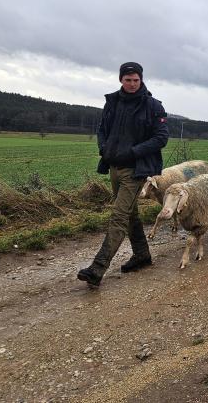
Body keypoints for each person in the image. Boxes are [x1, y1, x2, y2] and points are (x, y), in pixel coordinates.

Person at [77, 62, 169, 287]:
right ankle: (142, 255)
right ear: (121, 80)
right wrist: (103, 148)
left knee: (119, 215)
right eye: (127, 79)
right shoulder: (112, 102)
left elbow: (161, 138)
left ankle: (97, 268)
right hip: (115, 167)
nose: (132, 84)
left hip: (136, 170)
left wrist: (133, 152)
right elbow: (102, 129)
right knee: (129, 214)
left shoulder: (153, 106)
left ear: (141, 80)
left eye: (135, 80)